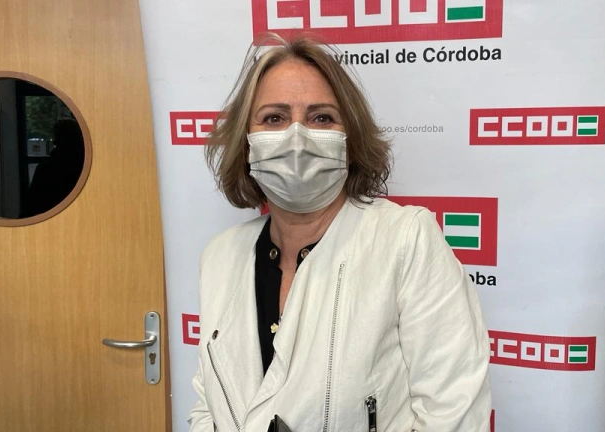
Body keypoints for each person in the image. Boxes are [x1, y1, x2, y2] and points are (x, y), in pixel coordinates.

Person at [189, 33, 492, 432]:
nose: (297, 138)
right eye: (274, 118)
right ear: (245, 142)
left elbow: (454, 411)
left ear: (350, 140)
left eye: (321, 118)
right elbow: (208, 403)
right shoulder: (221, 255)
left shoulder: (406, 239)